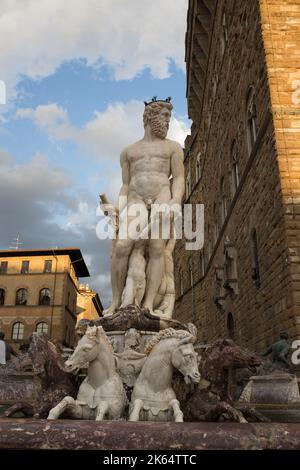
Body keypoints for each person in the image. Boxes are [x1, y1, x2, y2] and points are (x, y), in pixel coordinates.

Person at [103, 97, 184, 316]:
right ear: (150, 117)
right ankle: (116, 302)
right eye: (165, 116)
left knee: (156, 247)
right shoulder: (128, 152)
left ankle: (148, 304)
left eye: (169, 117)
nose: (168, 121)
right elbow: (125, 184)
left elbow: (178, 178)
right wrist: (118, 211)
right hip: (135, 198)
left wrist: (175, 201)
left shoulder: (173, 148)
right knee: (122, 246)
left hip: (161, 196)